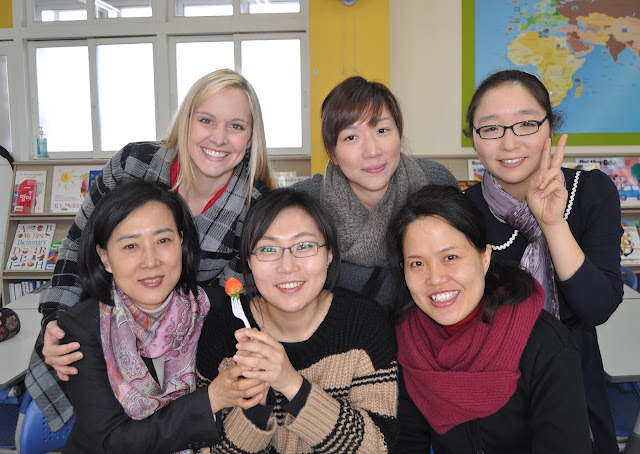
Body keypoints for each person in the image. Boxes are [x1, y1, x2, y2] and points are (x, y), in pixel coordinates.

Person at [26, 68, 276, 430]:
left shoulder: (255, 208)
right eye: (206, 120)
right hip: (102, 328)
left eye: (236, 126)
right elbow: (78, 244)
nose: (219, 138)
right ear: (186, 121)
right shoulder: (133, 164)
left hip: (182, 347)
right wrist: (55, 321)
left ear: (251, 138)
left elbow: (231, 302)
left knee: (159, 431)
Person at [463, 69, 622, 454]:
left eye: (526, 124)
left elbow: (597, 308)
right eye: (491, 128)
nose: (509, 142)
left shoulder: (591, 191)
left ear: (550, 127)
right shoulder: (461, 211)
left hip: (576, 372)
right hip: (492, 383)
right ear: (475, 138)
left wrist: (552, 224)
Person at [58, 181, 269, 453]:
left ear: (181, 241)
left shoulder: (218, 308)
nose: (151, 261)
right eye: (131, 246)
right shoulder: (81, 329)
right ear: (105, 257)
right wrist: (211, 400)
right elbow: (111, 441)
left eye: (163, 240)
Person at [387, 185, 592, 453]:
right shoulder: (408, 341)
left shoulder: (546, 346)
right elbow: (407, 444)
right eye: (417, 263)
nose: (435, 278)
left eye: (450, 257)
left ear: (484, 258)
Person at [195, 188, 399, 453]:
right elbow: (204, 448)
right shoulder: (223, 331)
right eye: (268, 249)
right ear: (248, 261)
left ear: (329, 254)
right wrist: (256, 405)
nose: (287, 266)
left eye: (304, 246)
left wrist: (292, 384)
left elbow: (378, 447)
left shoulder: (365, 324)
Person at [293, 76, 459, 309]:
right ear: (332, 153)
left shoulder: (435, 182)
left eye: (382, 130)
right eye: (351, 137)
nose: (372, 151)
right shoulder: (304, 203)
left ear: (399, 134)